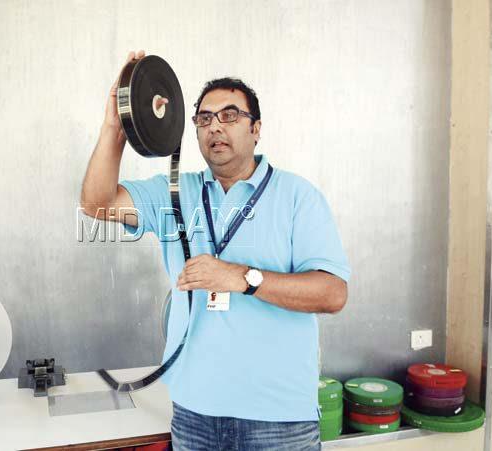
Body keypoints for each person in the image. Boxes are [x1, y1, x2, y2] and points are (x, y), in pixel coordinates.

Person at [80, 50, 350, 451]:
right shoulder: (176, 191)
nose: (215, 127)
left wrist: (242, 277)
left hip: (278, 422)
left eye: (230, 115)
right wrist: (113, 128)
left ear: (256, 129)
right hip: (194, 416)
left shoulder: (298, 197)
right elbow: (96, 203)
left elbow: (332, 294)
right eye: (204, 119)